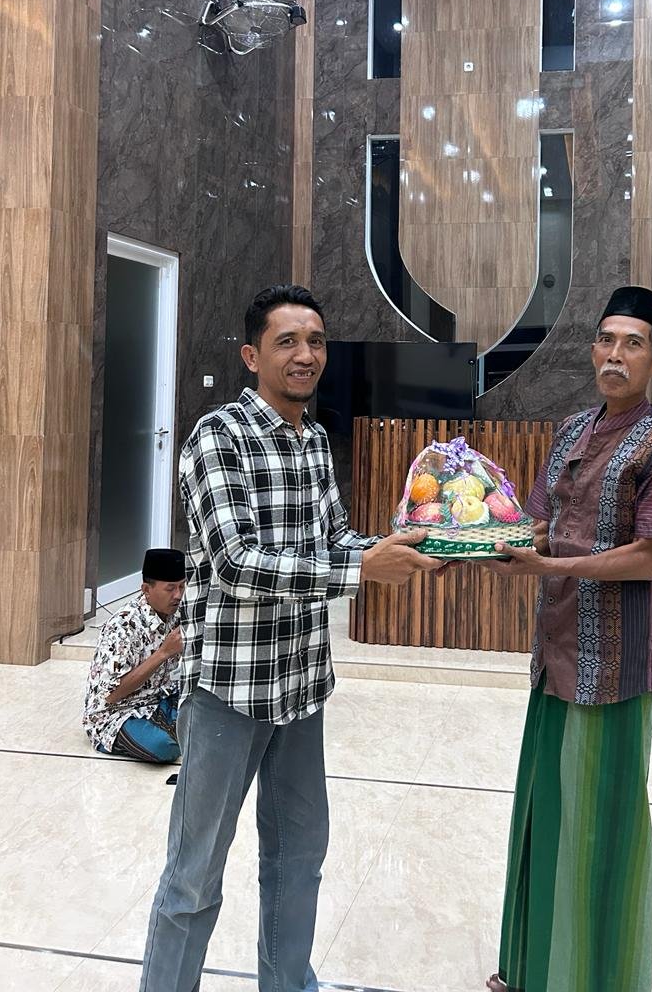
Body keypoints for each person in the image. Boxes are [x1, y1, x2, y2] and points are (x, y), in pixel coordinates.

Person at [139, 284, 440, 992]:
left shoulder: (314, 440)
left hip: (302, 688)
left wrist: (407, 544)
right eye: (287, 342)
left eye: (316, 341)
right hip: (229, 693)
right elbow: (237, 563)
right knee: (194, 875)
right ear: (252, 356)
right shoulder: (218, 438)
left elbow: (334, 540)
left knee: (299, 860)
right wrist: (361, 567)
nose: (306, 355)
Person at [485, 286, 652, 992]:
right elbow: (539, 525)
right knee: (545, 810)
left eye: (632, 344)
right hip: (554, 657)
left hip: (614, 665)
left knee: (602, 828)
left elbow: (648, 556)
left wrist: (548, 566)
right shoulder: (573, 429)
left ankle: (595, 979)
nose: (614, 355)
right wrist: (475, 541)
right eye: (606, 340)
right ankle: (532, 971)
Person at [83, 548, 186, 764]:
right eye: (170, 589)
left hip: (160, 701)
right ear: (146, 589)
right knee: (164, 747)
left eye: (181, 586)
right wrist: (163, 653)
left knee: (213, 718)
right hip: (118, 714)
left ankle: (172, 727)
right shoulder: (122, 626)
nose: (178, 595)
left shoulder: (177, 614)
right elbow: (111, 695)